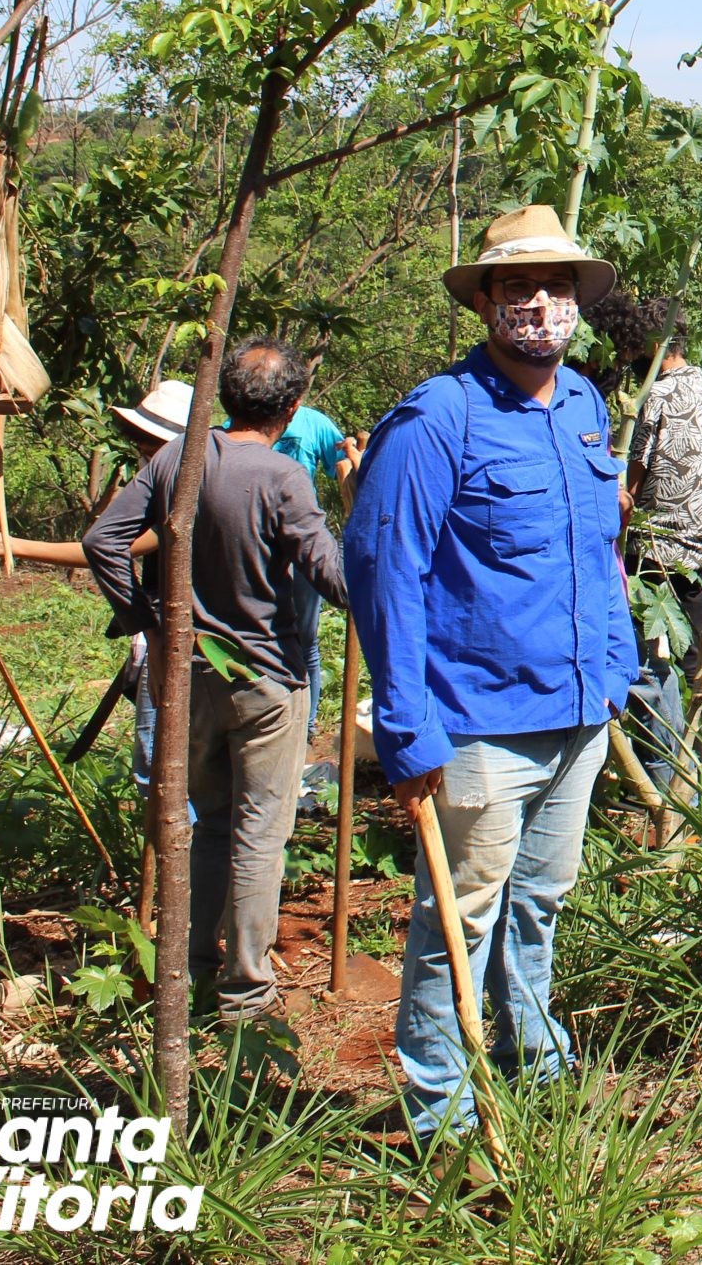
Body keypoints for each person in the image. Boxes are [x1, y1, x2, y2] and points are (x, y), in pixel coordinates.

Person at [343, 203, 640, 1142]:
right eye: (519, 287)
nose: (540, 305)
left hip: (581, 711)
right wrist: (405, 727)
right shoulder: (438, 419)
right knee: (458, 924)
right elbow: (383, 570)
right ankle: (445, 1117)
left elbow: (599, 547)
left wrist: (618, 660)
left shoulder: (587, 406)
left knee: (540, 903)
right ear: (483, 303)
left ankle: (532, 1068)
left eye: (556, 287)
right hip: (475, 723)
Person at [84, 340, 347, 1026]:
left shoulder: (178, 459)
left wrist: (145, 619)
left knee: (209, 827)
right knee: (262, 833)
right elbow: (331, 576)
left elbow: (101, 540)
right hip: (266, 678)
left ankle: (195, 967)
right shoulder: (285, 476)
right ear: (290, 409)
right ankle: (246, 991)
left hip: (190, 674)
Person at [0, 382, 187, 786]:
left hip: (174, 637)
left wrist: (8, 544)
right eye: (143, 444)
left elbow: (109, 547)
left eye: (153, 445)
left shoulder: (184, 499)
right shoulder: (169, 485)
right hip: (169, 632)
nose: (144, 454)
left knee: (159, 763)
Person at [622, 298, 702, 793]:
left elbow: (634, 477)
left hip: (655, 553)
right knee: (693, 661)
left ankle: (665, 776)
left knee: (649, 660)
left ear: (655, 347)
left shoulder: (656, 398)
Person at [265, 397, 361, 742]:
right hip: (260, 540)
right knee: (264, 633)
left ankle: (304, 727)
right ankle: (275, 721)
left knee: (305, 639)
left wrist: (355, 458)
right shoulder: (250, 420)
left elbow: (346, 469)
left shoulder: (313, 424)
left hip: (302, 539)